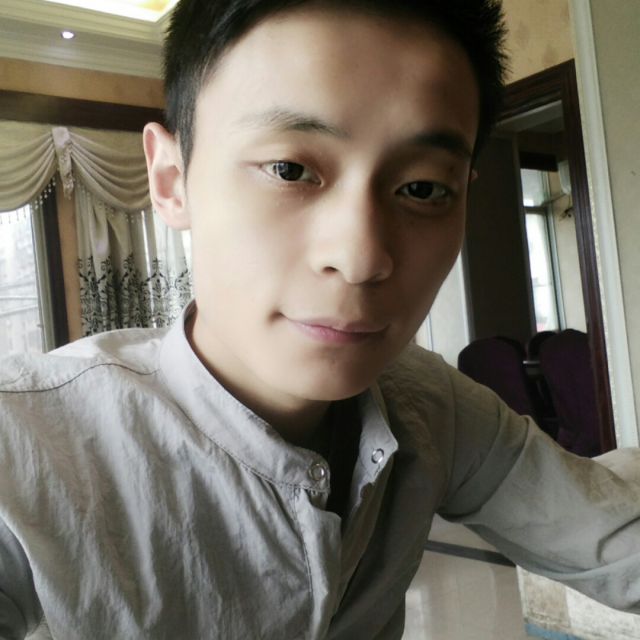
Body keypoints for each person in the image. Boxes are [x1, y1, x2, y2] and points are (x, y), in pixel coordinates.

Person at [1, 0, 639, 638]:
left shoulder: (436, 409)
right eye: (290, 169)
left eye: (422, 188)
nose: (361, 258)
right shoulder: (29, 448)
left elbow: (615, 542)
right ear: (172, 180)